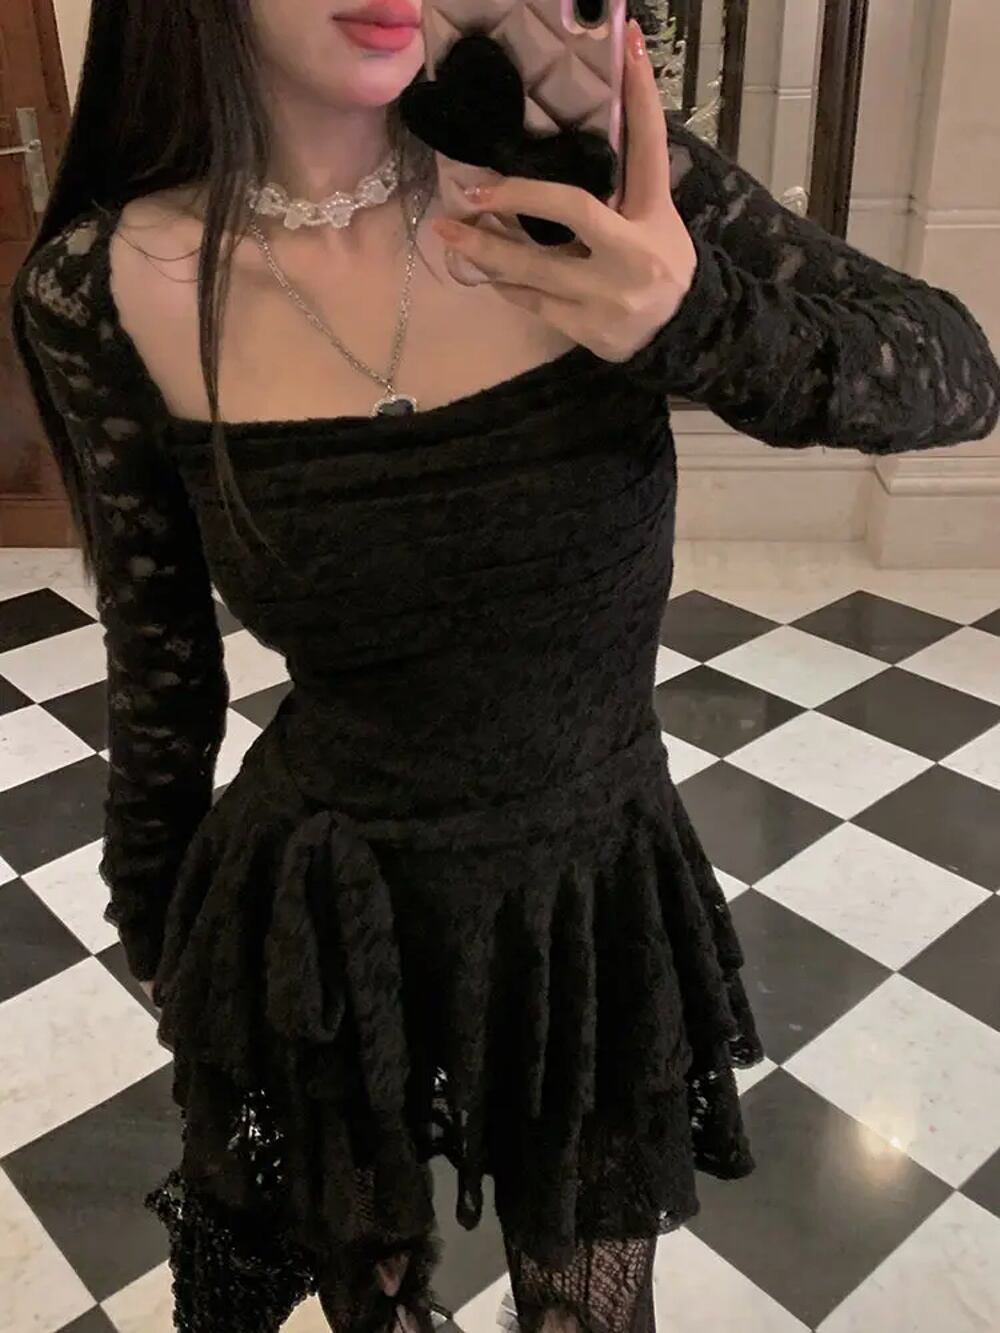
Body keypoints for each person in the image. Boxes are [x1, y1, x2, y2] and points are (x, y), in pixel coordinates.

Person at [12, 2, 999, 1331]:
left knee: (588, 1309)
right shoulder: (103, 285)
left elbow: (955, 372)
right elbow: (161, 665)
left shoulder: (586, 178)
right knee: (352, 1290)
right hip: (328, 909)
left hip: (590, 904)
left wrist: (694, 317)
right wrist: (160, 926)